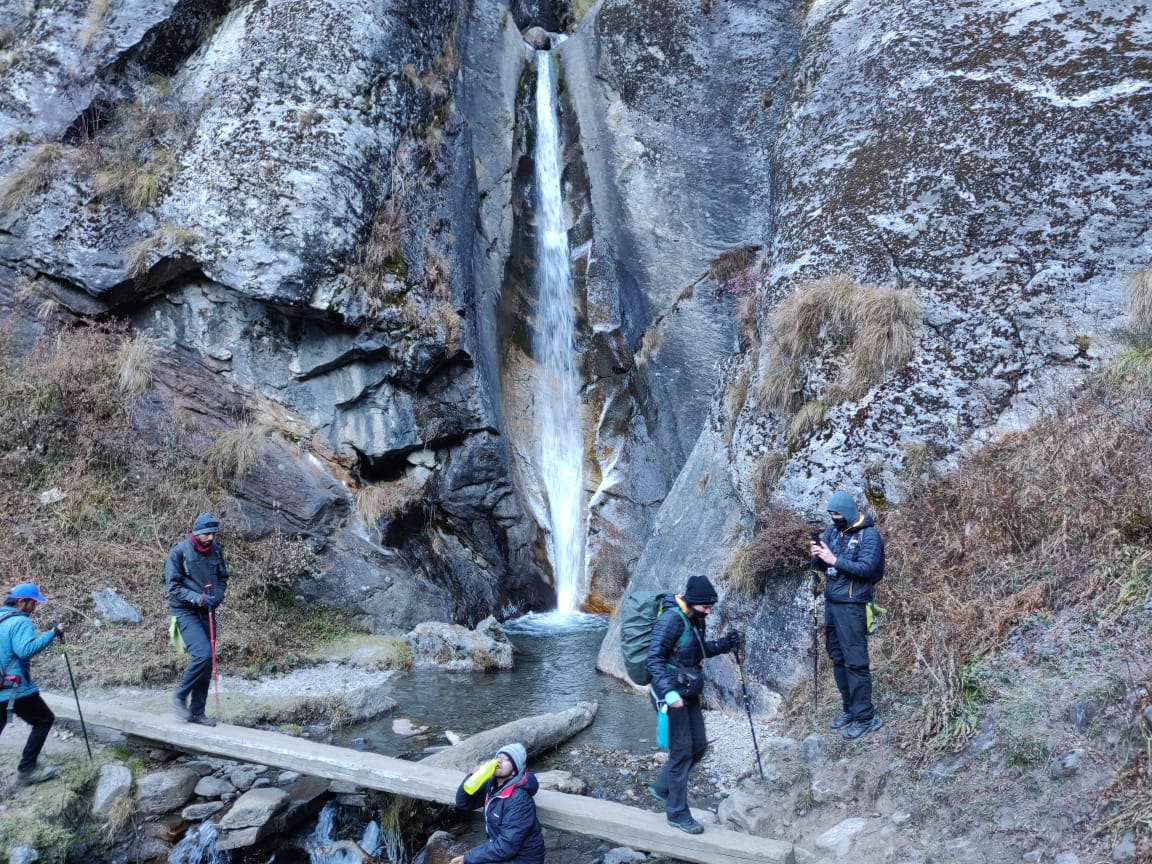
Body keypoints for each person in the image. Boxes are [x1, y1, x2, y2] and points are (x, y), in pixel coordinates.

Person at [645, 575, 741, 834]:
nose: (709, 611)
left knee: (698, 746)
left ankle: (663, 787)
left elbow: (697, 651)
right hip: (669, 694)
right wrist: (668, 693)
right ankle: (677, 813)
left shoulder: (695, 618)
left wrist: (724, 644)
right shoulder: (671, 619)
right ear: (694, 601)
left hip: (687, 690)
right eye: (706, 606)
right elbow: (653, 660)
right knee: (682, 751)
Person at [810, 490, 885, 741]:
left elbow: (867, 568)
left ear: (850, 513)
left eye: (838, 514)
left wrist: (834, 559)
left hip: (853, 605)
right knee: (838, 658)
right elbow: (824, 566)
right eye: (831, 515)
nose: (834, 519)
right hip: (832, 603)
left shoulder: (869, 535)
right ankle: (850, 710)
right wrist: (818, 556)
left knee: (855, 662)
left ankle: (866, 717)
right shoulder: (832, 531)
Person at [166, 512, 229, 727]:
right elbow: (173, 588)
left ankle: (197, 713)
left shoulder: (216, 551)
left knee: (208, 660)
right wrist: (199, 598)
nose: (210, 538)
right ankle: (179, 696)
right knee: (203, 654)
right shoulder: (179, 552)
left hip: (208, 611)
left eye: (213, 533)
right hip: (185, 612)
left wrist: (217, 596)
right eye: (206, 534)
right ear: (196, 532)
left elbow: (222, 577)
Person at [0, 582, 64, 785]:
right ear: (21, 602)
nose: (35, 607)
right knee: (44, 720)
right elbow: (25, 650)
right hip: (15, 688)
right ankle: (27, 770)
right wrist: (52, 633)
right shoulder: (20, 622)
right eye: (33, 603)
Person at [451, 742, 545, 864]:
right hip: (504, 850)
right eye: (498, 757)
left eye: (507, 760)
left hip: (521, 859)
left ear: (514, 771)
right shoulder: (492, 786)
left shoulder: (519, 799)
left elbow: (507, 845)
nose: (499, 761)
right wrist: (473, 777)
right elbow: (463, 803)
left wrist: (468, 857)